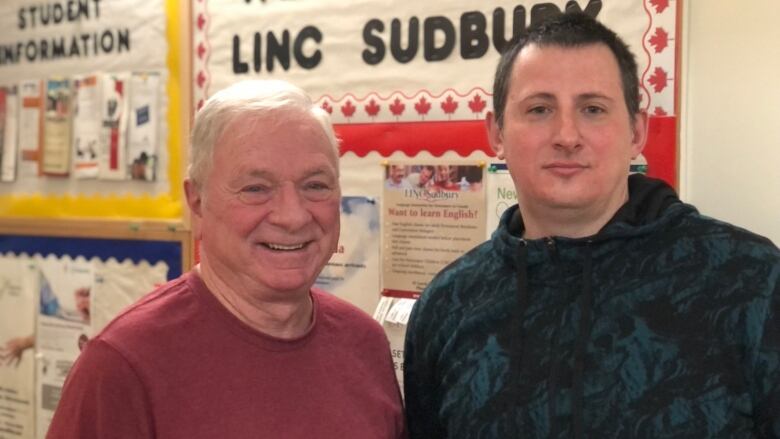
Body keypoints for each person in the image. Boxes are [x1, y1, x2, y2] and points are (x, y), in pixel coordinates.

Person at [404, 12, 779, 438]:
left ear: (637, 132)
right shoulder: (448, 305)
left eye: (593, 109)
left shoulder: (749, 280)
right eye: (540, 109)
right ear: (498, 133)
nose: (567, 134)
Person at [47, 80, 406, 438]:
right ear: (197, 202)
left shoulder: (365, 344)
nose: (293, 216)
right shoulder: (123, 366)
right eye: (255, 189)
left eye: (315, 185)